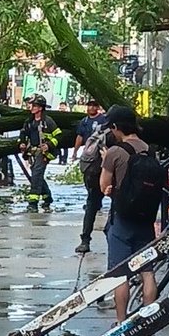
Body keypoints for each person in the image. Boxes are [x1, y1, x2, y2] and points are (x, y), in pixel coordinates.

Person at [100, 104, 162, 323]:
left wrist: (106, 160)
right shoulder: (150, 149)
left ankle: (121, 322)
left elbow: (103, 186)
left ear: (116, 127)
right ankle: (147, 323)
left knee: (120, 274)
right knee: (147, 272)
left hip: (122, 220)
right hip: (146, 219)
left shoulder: (115, 152)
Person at [73, 100, 109, 254]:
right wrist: (75, 152)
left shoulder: (101, 125)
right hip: (100, 171)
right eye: (89, 105)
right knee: (95, 203)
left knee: (91, 205)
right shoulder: (86, 122)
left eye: (94, 105)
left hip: (94, 171)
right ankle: (90, 238)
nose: (91, 108)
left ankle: (85, 240)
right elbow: (80, 137)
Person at [19, 95, 60, 211]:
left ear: (40, 108)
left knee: (36, 174)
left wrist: (49, 145)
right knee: (37, 175)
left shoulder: (48, 121)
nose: (32, 107)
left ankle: (33, 202)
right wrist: (22, 143)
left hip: (44, 153)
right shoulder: (29, 122)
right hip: (32, 152)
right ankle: (47, 197)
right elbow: (23, 134)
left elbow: (59, 135)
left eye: (35, 105)